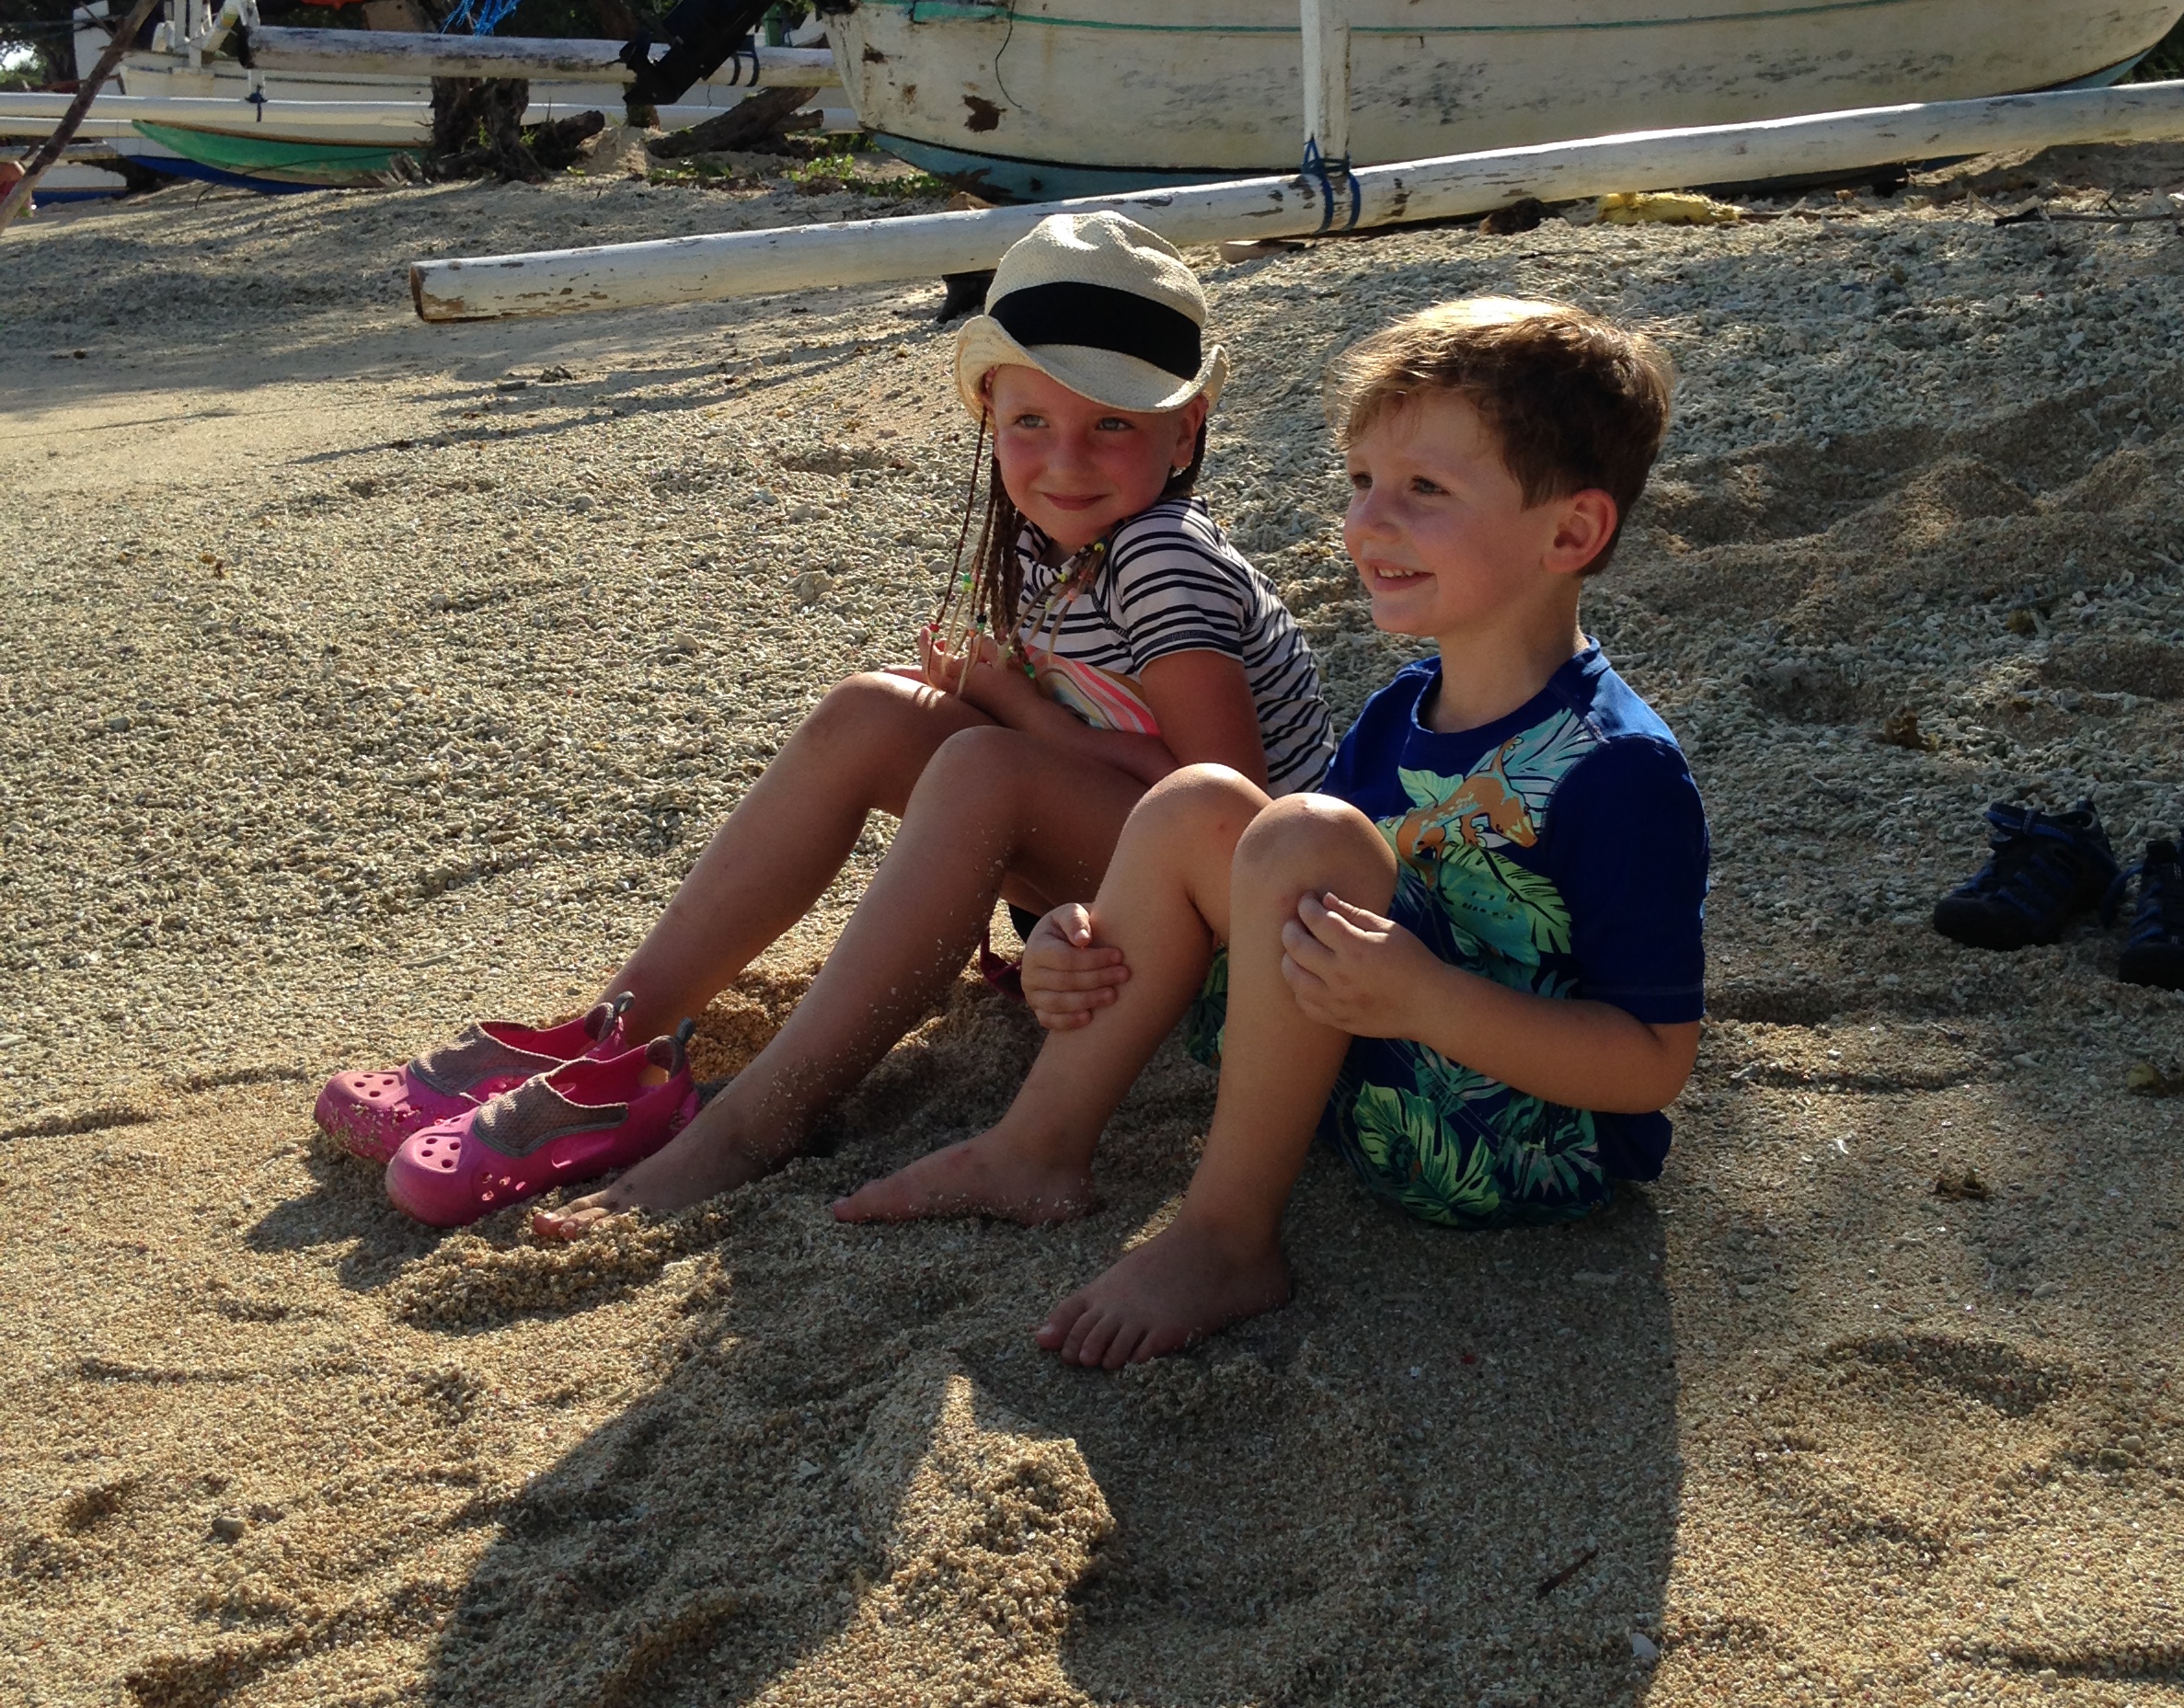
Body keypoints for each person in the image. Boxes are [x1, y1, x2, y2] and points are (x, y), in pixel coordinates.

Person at [314, 210, 1335, 1227]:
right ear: (990, 413)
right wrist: (996, 711)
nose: (1065, 460)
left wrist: (1013, 706)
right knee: (871, 713)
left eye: (1111, 424)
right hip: (1123, 866)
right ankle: (616, 1037)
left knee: (985, 765)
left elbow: (1222, 803)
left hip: (1237, 925)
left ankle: (752, 1125)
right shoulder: (1051, 541)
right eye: (1032, 423)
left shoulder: (1161, 556)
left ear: (1185, 429)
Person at [835, 297, 1707, 1370]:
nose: (1368, 523)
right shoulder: (1402, 710)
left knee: (1292, 828)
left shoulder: (1615, 765)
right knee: (1201, 802)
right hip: (1354, 1077)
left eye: (1424, 490)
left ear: (1570, 533)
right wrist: (1085, 933)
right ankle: (1038, 1144)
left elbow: (1652, 1064)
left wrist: (1426, 997)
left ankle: (1225, 1236)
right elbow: (1271, 886)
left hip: (1506, 1146)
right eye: (1362, 482)